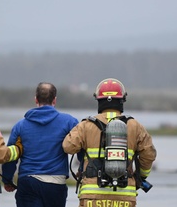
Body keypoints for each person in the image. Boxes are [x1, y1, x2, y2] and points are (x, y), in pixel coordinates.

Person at [63, 78, 157, 207]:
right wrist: (140, 177)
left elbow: (68, 147)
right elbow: (149, 154)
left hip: (92, 196)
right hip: (125, 196)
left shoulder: (86, 125)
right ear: (122, 100)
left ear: (99, 101)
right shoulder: (135, 126)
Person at [1, 82, 79, 207]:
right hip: (56, 184)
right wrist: (81, 171)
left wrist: (7, 180)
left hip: (28, 182)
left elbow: (10, 156)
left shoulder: (20, 126)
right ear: (54, 100)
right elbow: (81, 147)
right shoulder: (69, 122)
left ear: (36, 99)